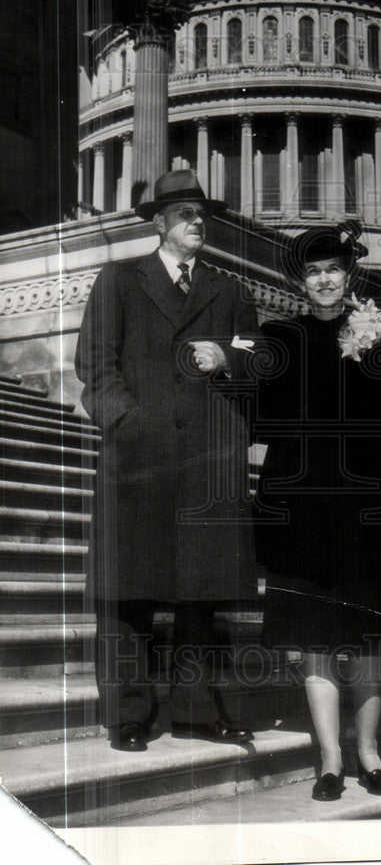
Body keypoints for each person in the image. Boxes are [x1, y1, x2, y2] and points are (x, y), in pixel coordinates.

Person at [254, 222, 381, 801]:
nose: (323, 280)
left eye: (333, 271)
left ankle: (369, 753)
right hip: (298, 508)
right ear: (301, 280)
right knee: (315, 640)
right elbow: (253, 409)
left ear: (349, 276)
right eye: (313, 272)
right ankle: (329, 758)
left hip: (366, 509)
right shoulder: (280, 338)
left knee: (366, 639)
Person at [75, 169, 260, 752]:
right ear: (159, 223)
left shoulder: (230, 291)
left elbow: (262, 358)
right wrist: (127, 423)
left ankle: (197, 710)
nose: (196, 223)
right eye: (184, 215)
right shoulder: (120, 280)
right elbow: (95, 365)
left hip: (208, 460)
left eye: (201, 214)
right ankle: (128, 715)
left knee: (201, 596)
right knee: (128, 594)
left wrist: (228, 354)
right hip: (138, 457)